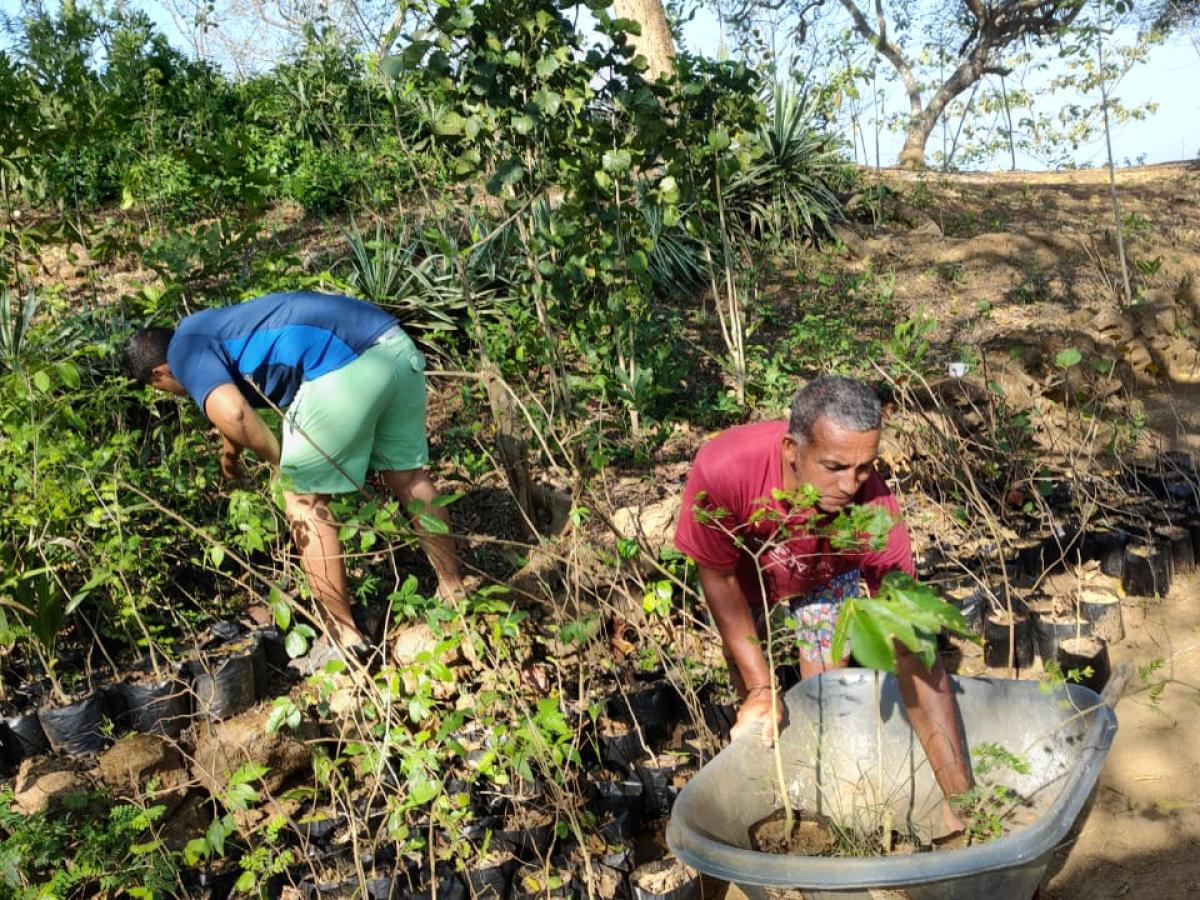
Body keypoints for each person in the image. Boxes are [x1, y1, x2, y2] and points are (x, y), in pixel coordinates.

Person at [674, 375, 971, 831]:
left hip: (823, 574)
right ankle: (771, 786)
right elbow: (717, 574)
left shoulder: (874, 514)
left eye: (864, 467)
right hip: (746, 576)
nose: (851, 485)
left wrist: (961, 800)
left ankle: (831, 793)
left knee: (827, 692)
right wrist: (759, 686)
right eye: (834, 467)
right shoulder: (726, 469)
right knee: (754, 688)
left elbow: (913, 649)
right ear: (792, 450)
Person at [121, 291, 466, 660]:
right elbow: (229, 412)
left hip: (343, 366)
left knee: (304, 500)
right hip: (394, 346)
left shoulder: (182, 356)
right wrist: (230, 454)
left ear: (158, 375)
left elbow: (235, 414)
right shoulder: (200, 329)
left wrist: (277, 464)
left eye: (160, 389)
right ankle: (454, 591)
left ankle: (344, 637)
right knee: (410, 479)